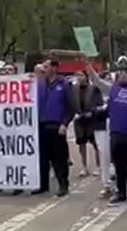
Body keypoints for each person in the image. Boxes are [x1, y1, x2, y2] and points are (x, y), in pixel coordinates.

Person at [86, 60, 127, 209]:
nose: (125, 75)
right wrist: (88, 66)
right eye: (123, 73)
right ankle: (121, 193)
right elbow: (96, 80)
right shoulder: (113, 89)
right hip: (116, 133)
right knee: (119, 165)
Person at [37, 59, 75, 197]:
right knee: (43, 157)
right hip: (42, 124)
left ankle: (63, 184)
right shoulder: (40, 84)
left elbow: (71, 106)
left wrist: (64, 123)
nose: (43, 69)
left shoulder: (64, 84)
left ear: (54, 68)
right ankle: (43, 185)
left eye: (46, 67)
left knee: (59, 158)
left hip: (57, 126)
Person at [73, 71, 106, 181]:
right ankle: (84, 167)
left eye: (81, 75)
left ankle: (98, 166)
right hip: (79, 120)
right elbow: (71, 103)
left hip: (92, 119)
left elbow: (100, 104)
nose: (79, 78)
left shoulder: (94, 89)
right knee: (81, 143)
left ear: (86, 77)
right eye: (77, 76)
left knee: (95, 143)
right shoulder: (74, 89)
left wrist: (92, 112)